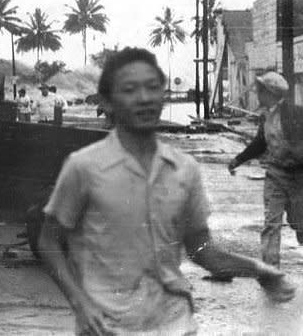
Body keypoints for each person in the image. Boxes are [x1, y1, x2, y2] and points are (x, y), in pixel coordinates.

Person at [38, 47, 294, 336]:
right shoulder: (83, 168)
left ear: (163, 95)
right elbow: (48, 240)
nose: (144, 98)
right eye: (130, 89)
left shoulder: (184, 170)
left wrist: (260, 271)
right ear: (108, 102)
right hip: (108, 327)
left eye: (152, 87)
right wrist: (80, 303)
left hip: (175, 324)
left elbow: (203, 251)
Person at [228, 71, 303, 268]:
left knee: (300, 224)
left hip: (298, 178)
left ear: (270, 93)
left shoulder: (295, 114)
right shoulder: (266, 117)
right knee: (272, 224)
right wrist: (238, 159)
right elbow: (260, 143)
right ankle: (270, 271)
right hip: (275, 176)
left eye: (260, 91)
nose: (257, 95)